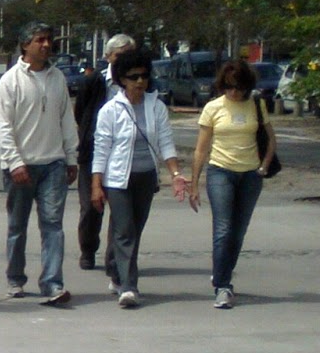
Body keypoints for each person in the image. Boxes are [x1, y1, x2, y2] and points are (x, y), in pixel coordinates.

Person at [0, 21, 80, 305]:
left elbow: (66, 119)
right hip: (21, 167)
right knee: (17, 226)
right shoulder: (10, 81)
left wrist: (71, 157)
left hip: (53, 164)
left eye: (48, 39)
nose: (45, 45)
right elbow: (3, 127)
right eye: (39, 40)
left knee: (53, 225)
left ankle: (53, 283)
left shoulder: (58, 79)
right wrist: (15, 162)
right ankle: (15, 279)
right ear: (25, 45)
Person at [89, 48, 182, 308]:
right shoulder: (111, 110)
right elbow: (101, 149)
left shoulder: (157, 107)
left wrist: (175, 174)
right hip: (118, 179)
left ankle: (117, 273)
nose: (140, 82)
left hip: (145, 177)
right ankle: (129, 287)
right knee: (125, 230)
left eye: (144, 76)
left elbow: (166, 143)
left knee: (134, 230)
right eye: (133, 77)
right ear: (122, 80)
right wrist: (96, 184)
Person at [190, 58, 277, 309]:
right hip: (220, 172)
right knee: (223, 229)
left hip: (250, 174)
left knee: (238, 232)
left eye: (238, 87)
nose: (234, 92)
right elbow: (200, 150)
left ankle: (222, 273)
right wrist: (194, 185)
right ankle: (223, 285)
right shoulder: (214, 108)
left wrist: (263, 167)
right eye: (228, 87)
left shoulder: (257, 105)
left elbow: (271, 139)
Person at [74, 34, 137, 271]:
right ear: (108, 57)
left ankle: (114, 259)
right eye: (119, 55)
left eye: (128, 55)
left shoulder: (138, 83)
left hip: (124, 155)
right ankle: (88, 249)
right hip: (93, 153)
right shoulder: (94, 82)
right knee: (91, 207)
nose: (124, 60)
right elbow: (81, 113)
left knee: (121, 210)